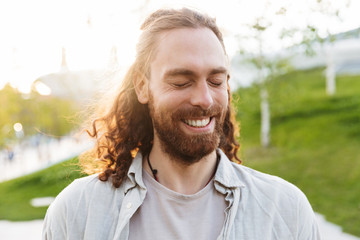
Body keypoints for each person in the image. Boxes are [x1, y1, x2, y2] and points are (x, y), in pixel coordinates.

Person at [43, 7, 320, 240]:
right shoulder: (77, 212)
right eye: (181, 82)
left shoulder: (285, 210)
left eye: (216, 81)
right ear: (142, 86)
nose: (204, 98)